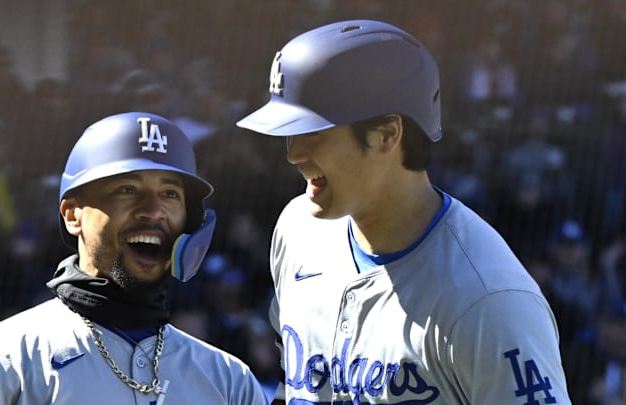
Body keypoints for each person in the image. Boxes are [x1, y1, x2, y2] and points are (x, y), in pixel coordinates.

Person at [236, 19, 571, 404]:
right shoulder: (297, 230)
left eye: (314, 133)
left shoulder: (488, 301)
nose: (292, 153)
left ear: (387, 135)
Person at [0, 112, 269, 404]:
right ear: (72, 215)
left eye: (170, 194)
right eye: (127, 190)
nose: (153, 210)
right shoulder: (4, 360)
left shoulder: (228, 380)